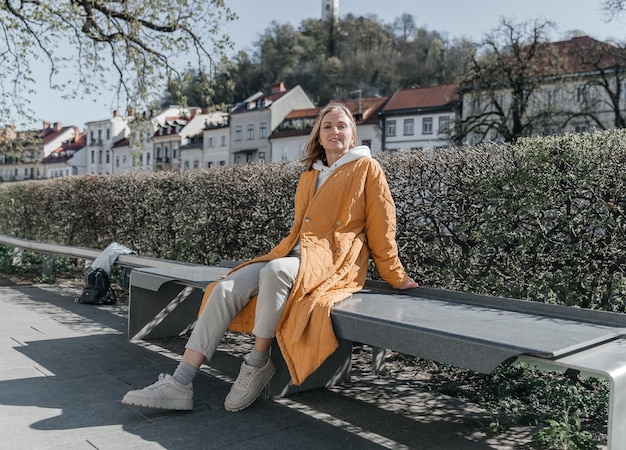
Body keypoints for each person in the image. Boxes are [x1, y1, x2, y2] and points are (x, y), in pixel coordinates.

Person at [122, 102, 418, 412]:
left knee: (275, 271)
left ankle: (257, 363)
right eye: (328, 126)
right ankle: (180, 383)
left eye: (342, 125)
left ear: (353, 134)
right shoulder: (310, 175)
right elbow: (299, 229)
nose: (335, 131)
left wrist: (396, 277)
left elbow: (382, 229)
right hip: (293, 255)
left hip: (334, 261)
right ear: (318, 135)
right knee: (223, 289)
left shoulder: (367, 168)